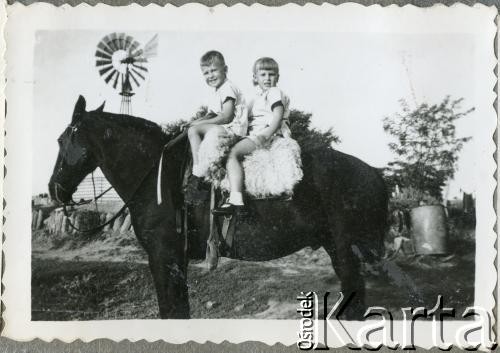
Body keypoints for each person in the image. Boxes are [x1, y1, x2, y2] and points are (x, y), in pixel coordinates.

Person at [213, 57, 291, 215]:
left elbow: (277, 116)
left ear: (278, 77)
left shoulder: (275, 92)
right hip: (257, 133)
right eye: (263, 74)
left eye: (271, 74)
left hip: (266, 134)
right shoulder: (256, 98)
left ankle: (235, 198)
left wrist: (266, 135)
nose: (268, 78)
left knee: (232, 154)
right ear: (255, 77)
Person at [186, 50, 248, 196]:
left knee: (193, 132)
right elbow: (212, 114)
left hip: (233, 128)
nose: (210, 76)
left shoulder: (228, 88)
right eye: (206, 73)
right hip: (226, 127)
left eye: (214, 70)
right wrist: (195, 122)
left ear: (225, 70)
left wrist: (195, 127)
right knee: (193, 128)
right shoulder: (218, 90)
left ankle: (198, 172)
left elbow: (226, 116)